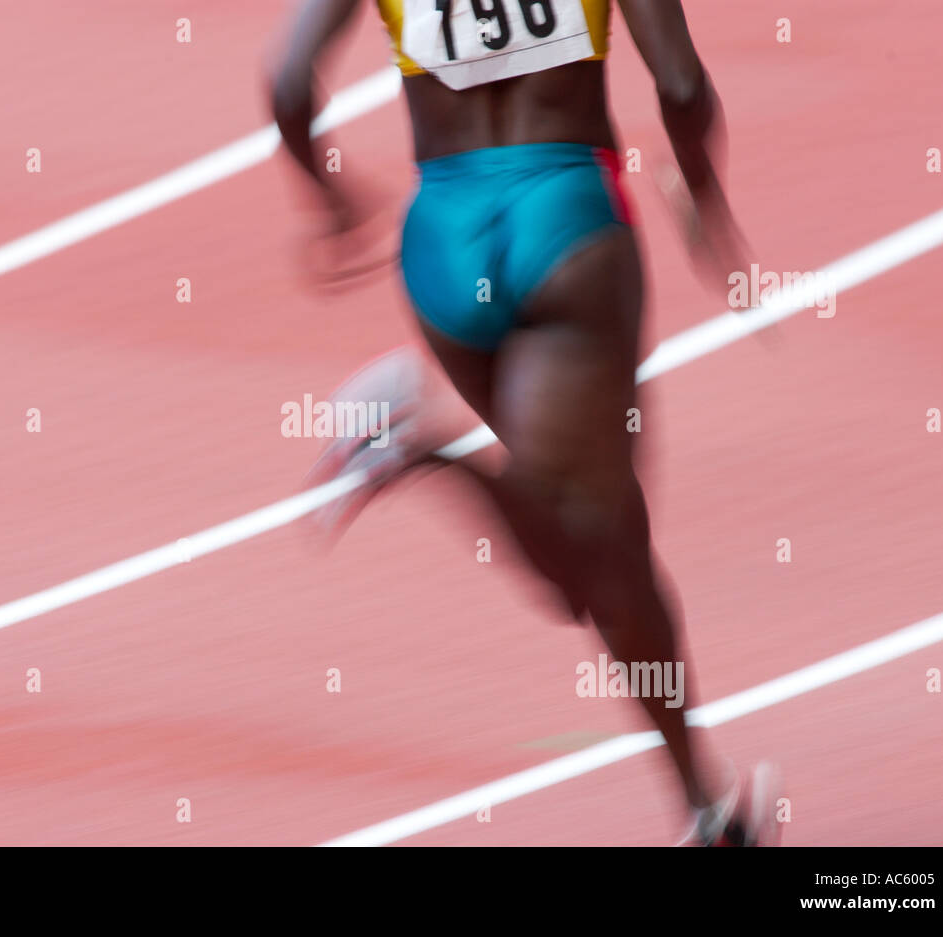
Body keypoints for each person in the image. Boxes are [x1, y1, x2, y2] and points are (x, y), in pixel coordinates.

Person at [270, 0, 778, 845]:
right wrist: (707, 208)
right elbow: (683, 85)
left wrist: (332, 202)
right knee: (587, 551)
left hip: (440, 240)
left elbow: (288, 85)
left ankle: (707, 810)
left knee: (600, 552)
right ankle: (423, 451)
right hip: (566, 221)